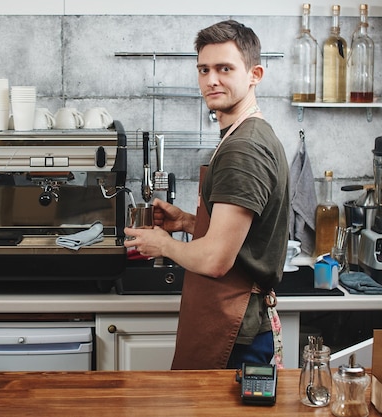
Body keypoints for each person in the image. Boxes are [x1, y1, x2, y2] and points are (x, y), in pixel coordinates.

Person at [124, 20, 289, 370]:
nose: (211, 80)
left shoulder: (243, 148)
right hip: (232, 322)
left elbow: (216, 259)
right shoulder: (246, 134)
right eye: (204, 69)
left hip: (233, 331)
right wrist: (187, 221)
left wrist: (161, 244)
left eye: (224, 68)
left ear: (254, 74)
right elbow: (242, 233)